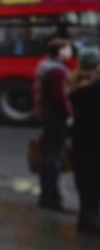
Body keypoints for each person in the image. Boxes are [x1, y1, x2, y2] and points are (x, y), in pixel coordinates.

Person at [33, 36, 73, 213]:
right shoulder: (57, 70)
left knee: (47, 156)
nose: (70, 51)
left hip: (47, 116)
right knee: (54, 158)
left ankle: (45, 197)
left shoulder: (44, 65)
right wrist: (69, 115)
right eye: (67, 48)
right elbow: (60, 97)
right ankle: (53, 199)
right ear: (59, 51)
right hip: (56, 118)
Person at [68, 47, 100, 235]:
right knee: (94, 186)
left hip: (80, 143)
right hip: (94, 144)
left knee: (85, 186)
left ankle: (85, 221)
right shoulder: (93, 92)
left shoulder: (75, 87)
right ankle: (91, 223)